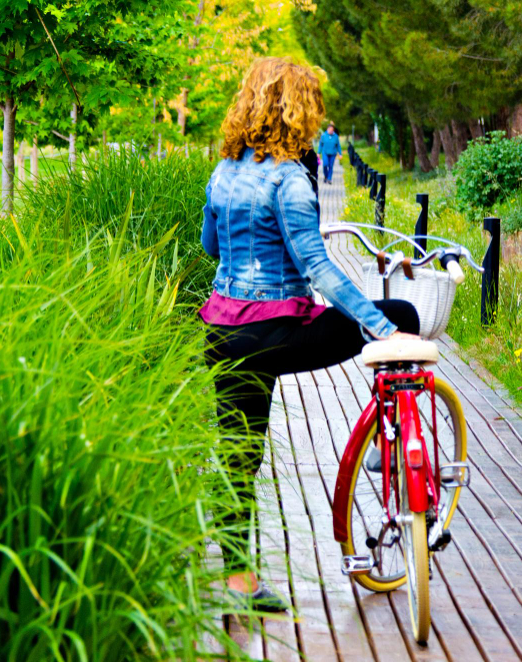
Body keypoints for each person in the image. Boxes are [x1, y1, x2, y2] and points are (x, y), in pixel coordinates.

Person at [199, 57, 419, 612]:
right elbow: (319, 269)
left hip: (222, 332)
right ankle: (387, 449)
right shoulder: (290, 178)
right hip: (276, 331)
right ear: (298, 108)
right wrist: (380, 324)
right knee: (405, 317)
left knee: (237, 458)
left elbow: (211, 248)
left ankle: (238, 585)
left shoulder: (223, 172)